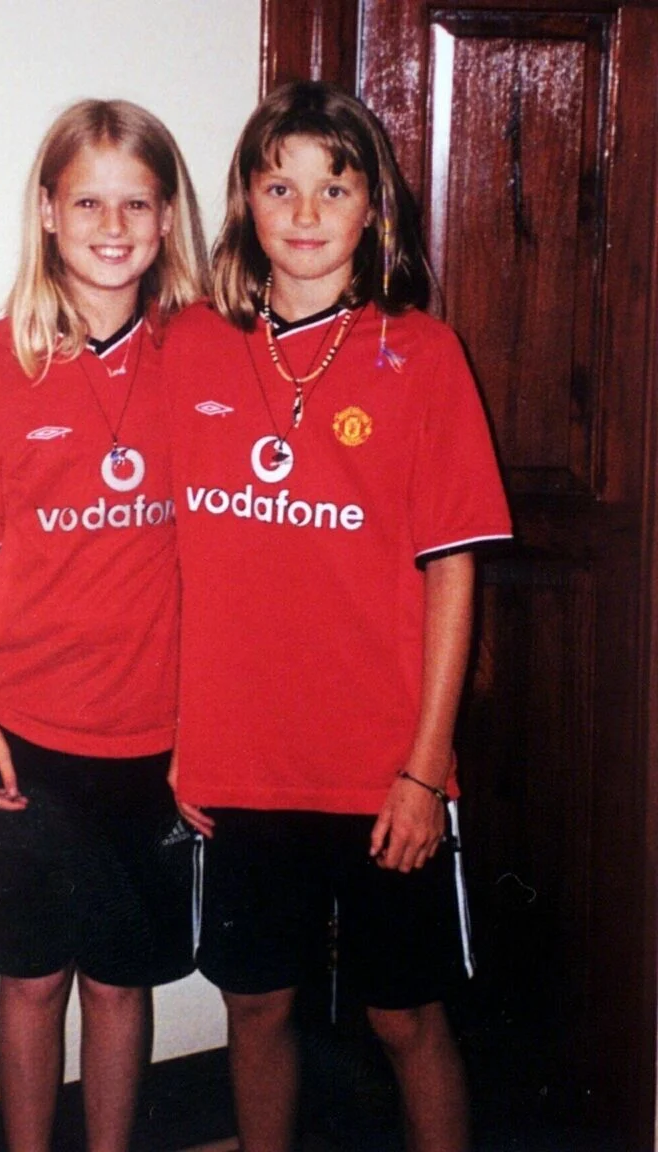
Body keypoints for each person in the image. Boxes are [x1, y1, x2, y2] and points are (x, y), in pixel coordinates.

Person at [163, 81, 512, 1152]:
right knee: (255, 1007)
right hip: (240, 772)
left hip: (381, 774)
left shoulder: (425, 356)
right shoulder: (193, 350)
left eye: (334, 185)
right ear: (247, 205)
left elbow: (454, 573)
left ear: (375, 210)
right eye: (281, 185)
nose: (306, 212)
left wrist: (425, 763)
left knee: (404, 1016)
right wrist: (185, 743)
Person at [0, 99, 208, 1152]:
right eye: (88, 199)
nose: (113, 223)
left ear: (169, 216)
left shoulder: (205, 358)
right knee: (33, 983)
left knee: (122, 988)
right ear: (48, 211)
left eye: (137, 200)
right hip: (29, 737)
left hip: (159, 742)